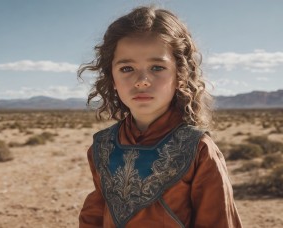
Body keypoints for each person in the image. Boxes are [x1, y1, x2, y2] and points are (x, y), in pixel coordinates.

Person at [77, 5, 242, 228]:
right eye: (127, 68)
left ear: (180, 74)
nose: (142, 80)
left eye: (157, 67)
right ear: (112, 79)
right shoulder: (102, 146)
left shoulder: (199, 149)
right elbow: (94, 216)